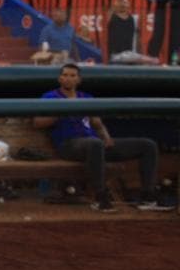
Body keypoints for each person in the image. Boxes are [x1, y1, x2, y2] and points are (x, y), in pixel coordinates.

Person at [34, 64, 173, 212]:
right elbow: (38, 123)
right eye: (65, 75)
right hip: (69, 145)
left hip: (94, 145)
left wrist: (106, 137)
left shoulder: (86, 98)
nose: (68, 78)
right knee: (94, 144)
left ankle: (148, 196)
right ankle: (100, 198)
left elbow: (97, 124)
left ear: (79, 80)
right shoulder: (51, 96)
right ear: (60, 79)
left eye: (73, 75)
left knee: (147, 145)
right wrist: (61, 111)